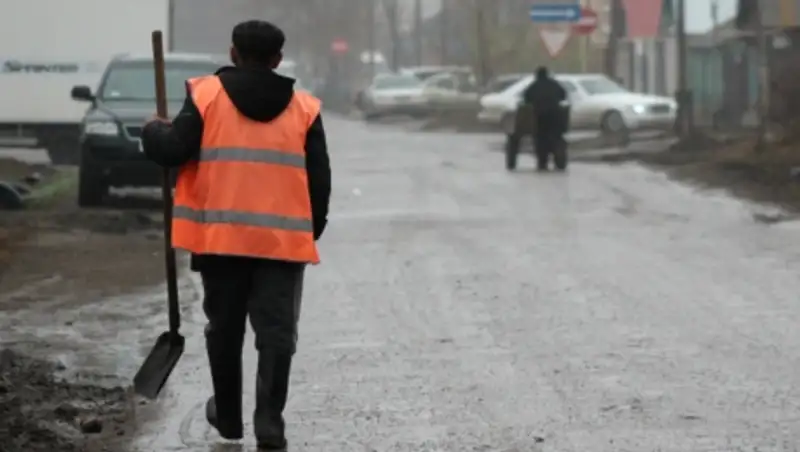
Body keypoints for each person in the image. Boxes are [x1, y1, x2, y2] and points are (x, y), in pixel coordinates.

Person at [140, 20, 331, 451]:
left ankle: (227, 418)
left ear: (232, 53)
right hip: (282, 247)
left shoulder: (206, 96)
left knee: (224, 331)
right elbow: (320, 180)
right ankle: (270, 423)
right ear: (277, 59)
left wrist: (153, 129)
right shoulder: (304, 109)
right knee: (277, 335)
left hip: (221, 244)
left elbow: (172, 150)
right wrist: (307, 232)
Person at [522, 66, 567, 170]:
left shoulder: (534, 86)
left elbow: (526, 98)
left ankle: (542, 161)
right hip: (556, 116)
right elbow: (563, 95)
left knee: (541, 138)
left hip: (540, 116)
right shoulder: (554, 84)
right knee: (557, 137)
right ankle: (559, 156)